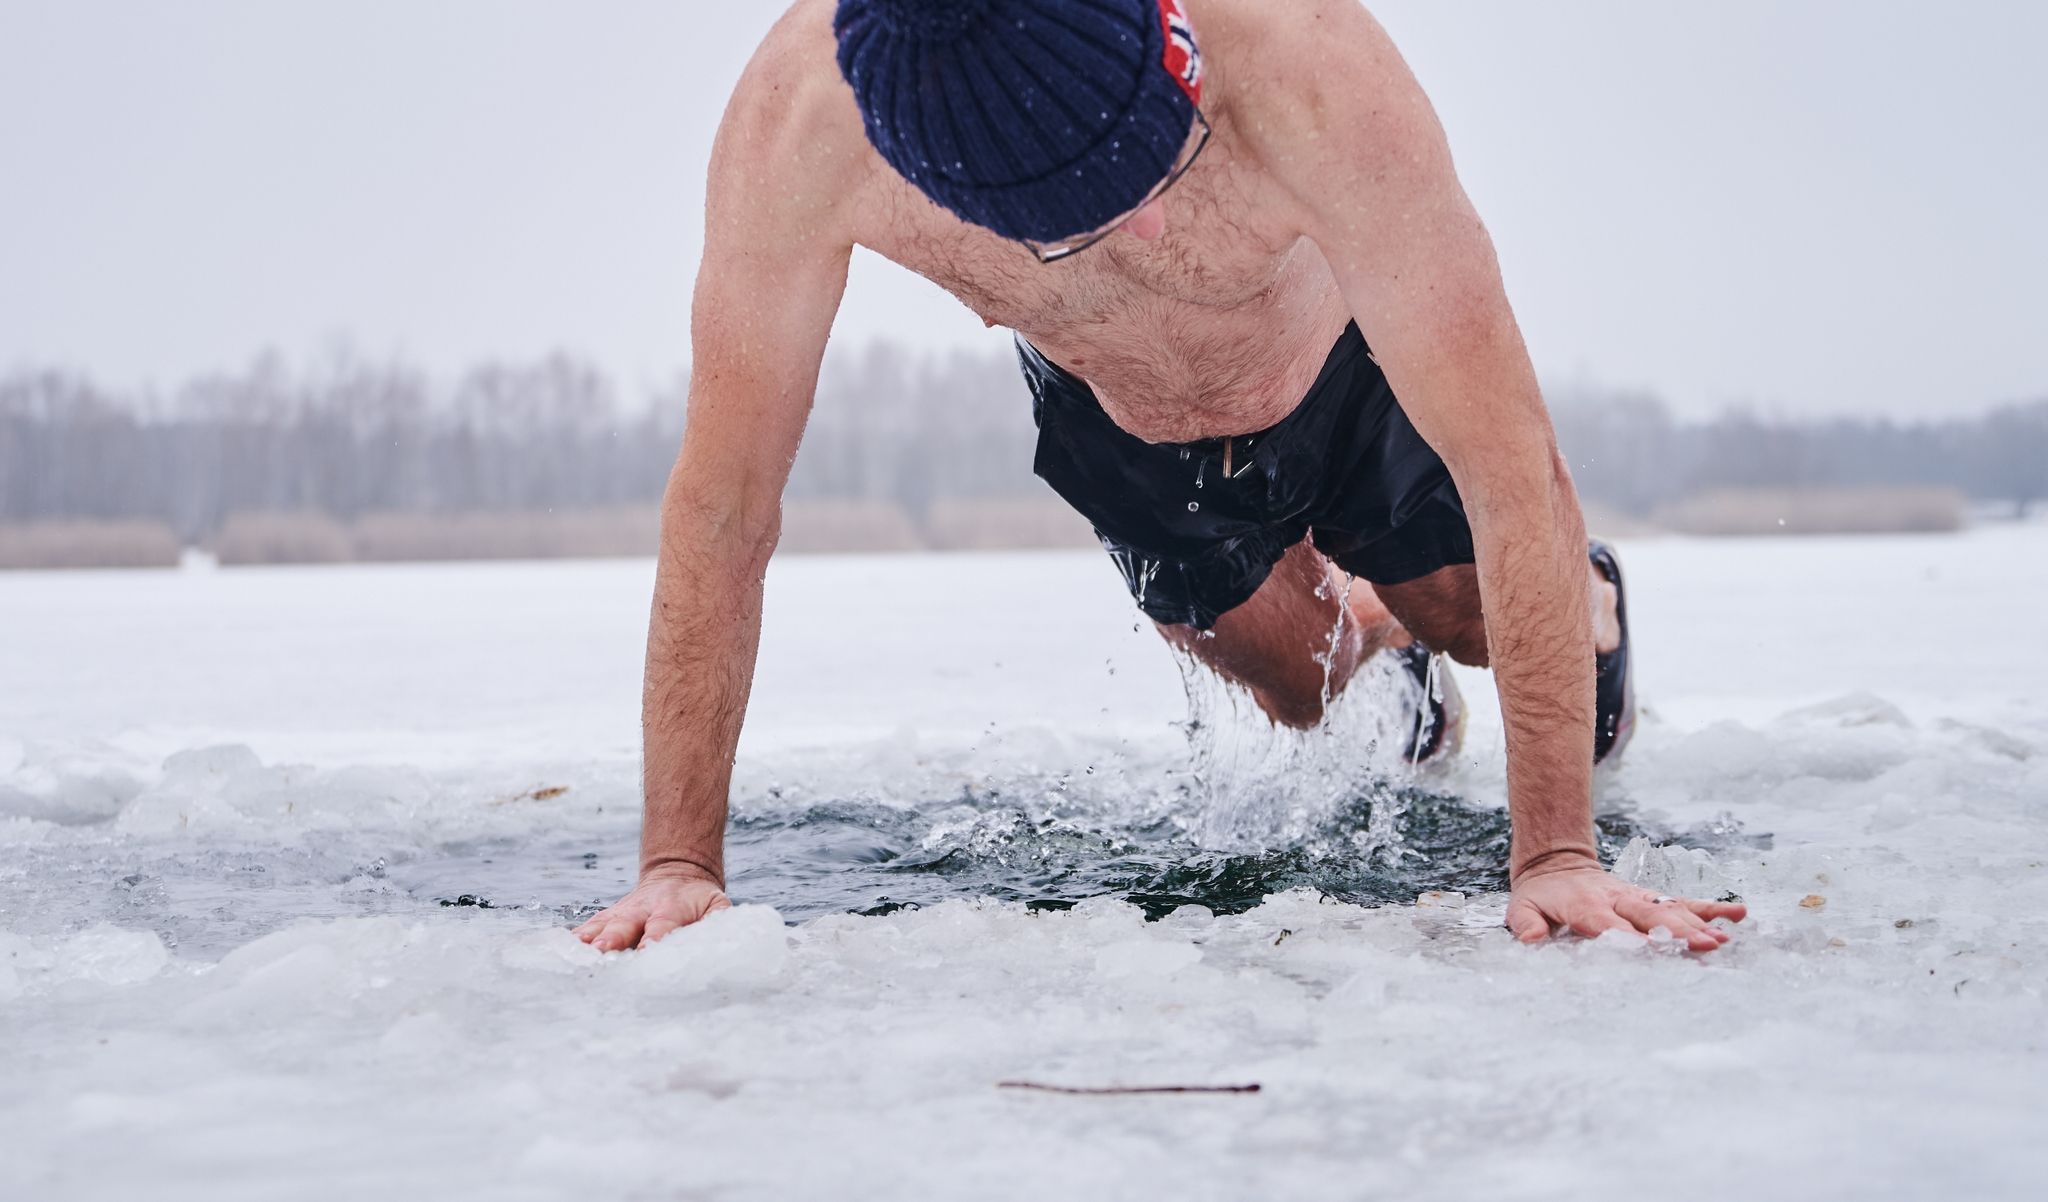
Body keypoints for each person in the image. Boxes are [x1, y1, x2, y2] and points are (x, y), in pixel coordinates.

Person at [575, 0, 1747, 954]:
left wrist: (1553, 856)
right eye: (1073, 229)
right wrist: (677, 866)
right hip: (1115, 411)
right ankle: (1378, 636)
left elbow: (1511, 472)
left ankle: (1576, 600)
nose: (1135, 240)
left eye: (1148, 182)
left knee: (1476, 610)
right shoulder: (801, 122)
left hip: (1338, 363)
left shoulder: (1313, 72)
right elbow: (724, 509)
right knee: (1300, 684)